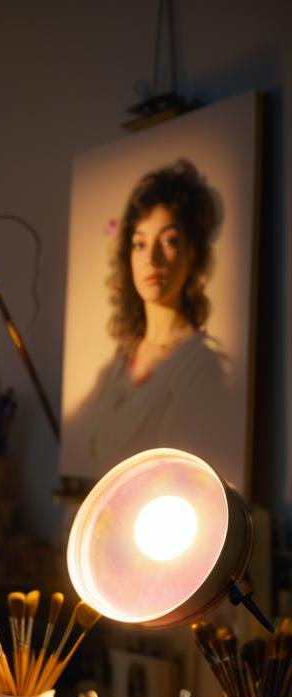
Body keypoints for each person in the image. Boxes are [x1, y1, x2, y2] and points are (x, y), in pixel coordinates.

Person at [73, 158, 229, 476]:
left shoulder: (197, 364)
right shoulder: (119, 364)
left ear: (192, 253)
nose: (152, 259)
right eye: (140, 244)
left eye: (169, 241)